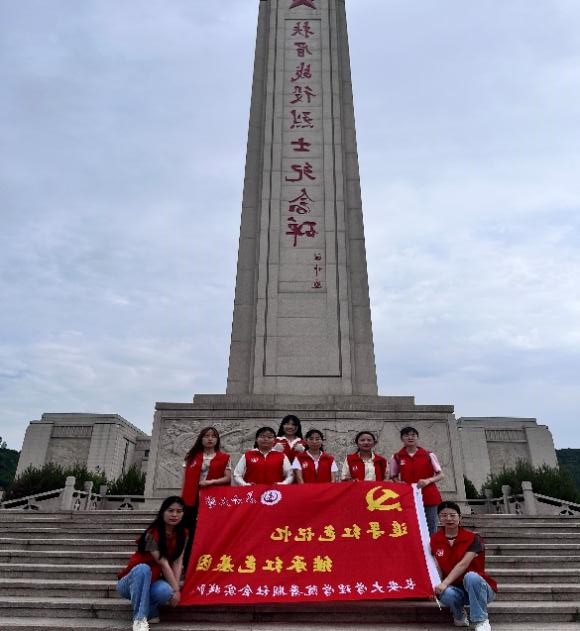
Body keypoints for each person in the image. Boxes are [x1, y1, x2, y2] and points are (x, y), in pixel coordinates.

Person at [116, 496, 188, 631]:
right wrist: (177, 590)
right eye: (170, 510)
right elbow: (163, 563)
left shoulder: (183, 534)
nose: (174, 515)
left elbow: (178, 562)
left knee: (166, 591)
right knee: (143, 569)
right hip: (131, 582)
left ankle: (151, 611)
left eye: (179, 511)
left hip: (154, 580)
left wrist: (174, 589)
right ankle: (139, 619)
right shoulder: (152, 534)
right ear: (162, 512)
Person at [430, 501, 497, 631]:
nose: (448, 518)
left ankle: (481, 620)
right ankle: (459, 616)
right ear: (439, 518)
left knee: (471, 577)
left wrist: (445, 583)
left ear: (460, 517)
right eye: (444, 515)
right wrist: (434, 586)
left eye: (452, 515)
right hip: (455, 589)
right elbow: (436, 566)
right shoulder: (434, 540)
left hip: (479, 588)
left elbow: (463, 564)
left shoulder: (473, 538)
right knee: (446, 593)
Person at [389, 425, 444, 535]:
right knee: (410, 526)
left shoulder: (428, 455)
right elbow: (393, 476)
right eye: (406, 435)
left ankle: (431, 546)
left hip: (429, 496)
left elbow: (441, 474)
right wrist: (399, 483)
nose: (410, 437)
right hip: (408, 497)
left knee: (430, 526)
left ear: (417, 437)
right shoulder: (397, 457)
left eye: (413, 435)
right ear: (401, 439)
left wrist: (428, 480)